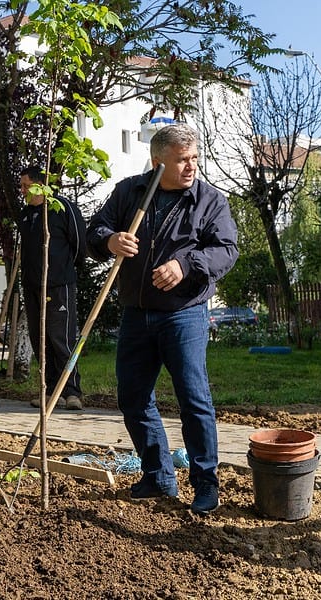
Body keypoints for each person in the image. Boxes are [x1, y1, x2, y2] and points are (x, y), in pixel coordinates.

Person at [85, 123, 238, 514]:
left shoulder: (209, 201)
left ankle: (206, 484)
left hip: (183, 314)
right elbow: (94, 232)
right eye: (182, 160)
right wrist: (110, 240)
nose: (191, 167)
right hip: (137, 314)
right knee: (133, 398)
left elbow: (226, 250)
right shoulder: (129, 192)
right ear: (157, 162)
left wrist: (186, 264)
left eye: (194, 158)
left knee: (193, 399)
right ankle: (158, 476)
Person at [18, 165, 86, 411]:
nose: (23, 190)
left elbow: (79, 245)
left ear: (38, 185)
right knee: (41, 339)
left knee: (62, 338)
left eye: (26, 185)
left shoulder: (62, 208)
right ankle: (48, 390)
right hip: (32, 286)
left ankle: (72, 391)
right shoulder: (26, 214)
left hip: (59, 285)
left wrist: (64, 270)